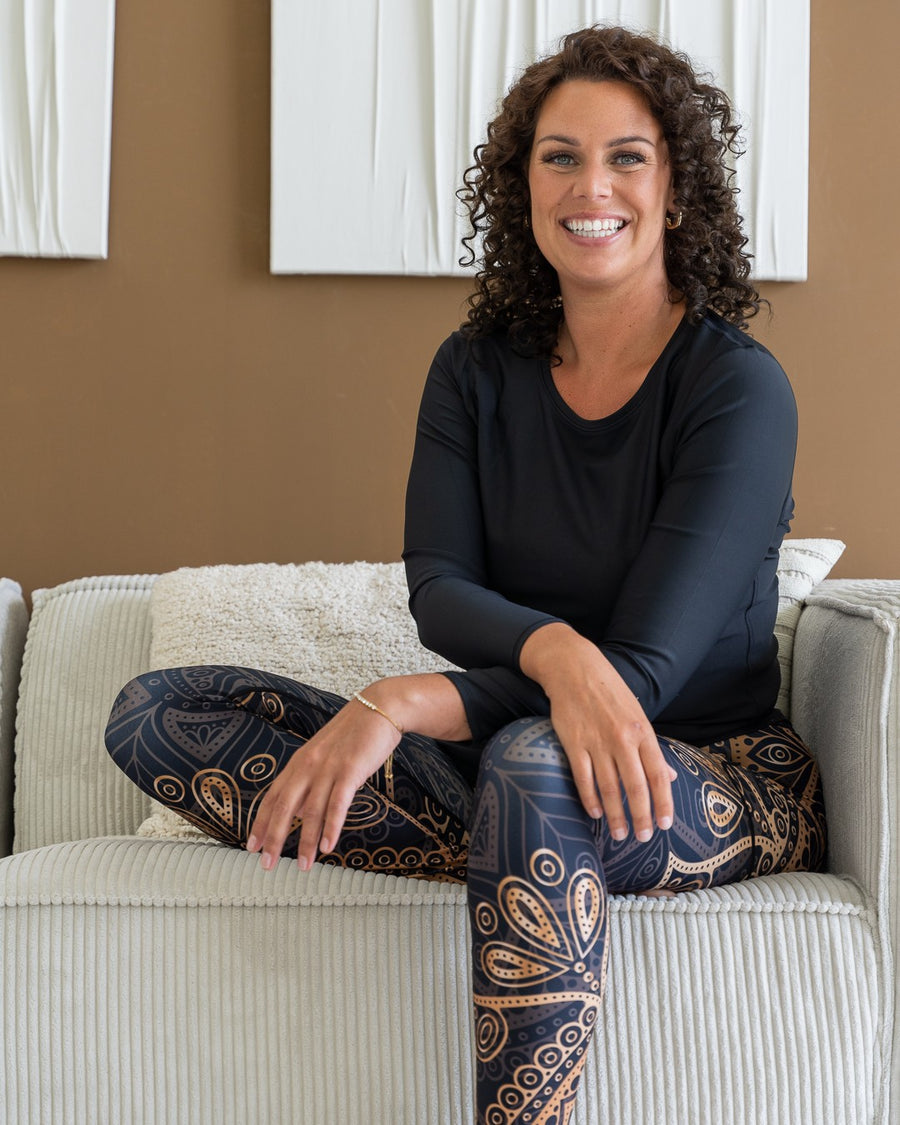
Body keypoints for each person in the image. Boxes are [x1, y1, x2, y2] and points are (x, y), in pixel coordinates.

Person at [105, 25, 826, 1125]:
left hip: (706, 771)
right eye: (560, 156)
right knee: (157, 713)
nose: (592, 187)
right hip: (506, 760)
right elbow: (439, 588)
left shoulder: (739, 389)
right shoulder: (473, 370)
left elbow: (642, 674)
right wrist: (550, 650)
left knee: (536, 765)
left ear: (677, 188)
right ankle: (516, 837)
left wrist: (403, 702)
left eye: (628, 157)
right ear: (521, 185)